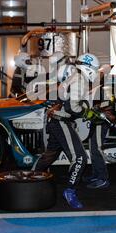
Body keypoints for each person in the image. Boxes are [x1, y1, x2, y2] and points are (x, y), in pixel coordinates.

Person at [33, 53, 100, 209]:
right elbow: (72, 107)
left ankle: (31, 177)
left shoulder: (74, 76)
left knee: (48, 156)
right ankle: (70, 190)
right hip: (60, 121)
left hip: (55, 120)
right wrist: (87, 113)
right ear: (89, 67)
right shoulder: (80, 79)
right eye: (95, 69)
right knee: (80, 157)